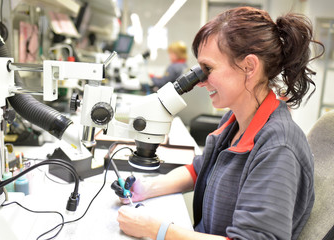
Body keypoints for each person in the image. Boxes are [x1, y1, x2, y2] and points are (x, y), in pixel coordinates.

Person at [111, 6, 324, 240]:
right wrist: (145, 189)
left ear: (249, 67)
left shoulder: (278, 147)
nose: (200, 82)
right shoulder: (235, 120)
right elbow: (200, 169)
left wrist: (157, 230)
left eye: (207, 69)